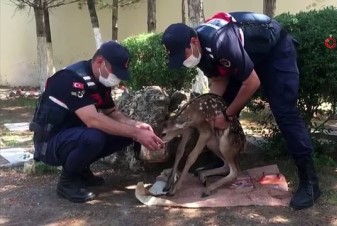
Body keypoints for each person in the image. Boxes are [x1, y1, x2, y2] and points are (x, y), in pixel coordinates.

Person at [161, 12, 321, 210]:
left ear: (193, 42)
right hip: (245, 58)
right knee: (222, 105)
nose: (183, 62)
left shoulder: (221, 42)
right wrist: (213, 111)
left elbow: (252, 83)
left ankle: (310, 183)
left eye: (182, 55)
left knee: (284, 112)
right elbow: (219, 81)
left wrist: (227, 116)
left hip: (274, 52)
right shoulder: (200, 53)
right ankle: (218, 161)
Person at [30, 41, 164, 203]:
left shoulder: (100, 81)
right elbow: (93, 120)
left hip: (72, 136)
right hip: (50, 143)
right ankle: (67, 182)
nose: (118, 79)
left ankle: (80, 169)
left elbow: (111, 112)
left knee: (125, 134)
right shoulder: (71, 79)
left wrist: (136, 126)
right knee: (94, 137)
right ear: (100, 62)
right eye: (116, 72)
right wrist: (136, 132)